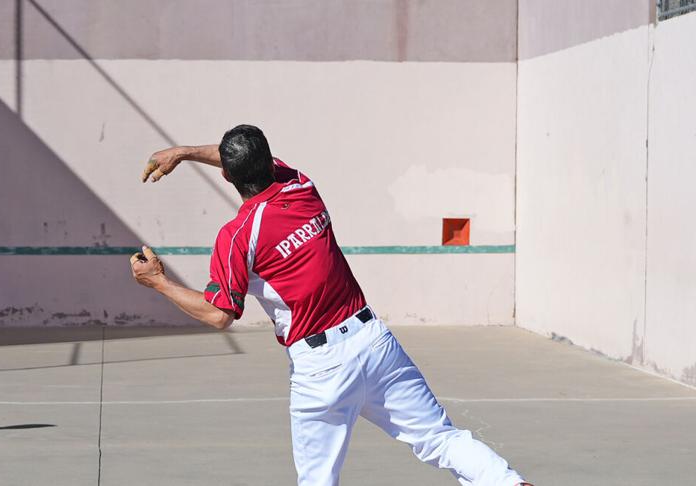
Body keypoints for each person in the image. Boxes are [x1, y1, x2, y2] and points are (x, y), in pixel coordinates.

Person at [131, 124, 531, 486]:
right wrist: (183, 152)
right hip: (375, 345)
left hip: (321, 370)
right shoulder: (301, 185)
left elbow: (218, 314)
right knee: (441, 439)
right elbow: (242, 160)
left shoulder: (237, 236)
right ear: (271, 162)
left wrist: (158, 283)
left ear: (226, 177)